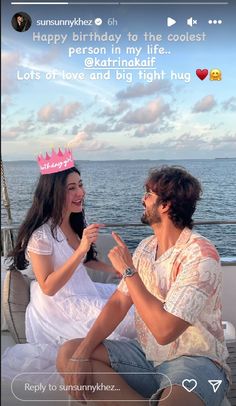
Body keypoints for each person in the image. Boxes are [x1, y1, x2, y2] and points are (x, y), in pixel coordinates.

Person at [57, 165, 230, 406]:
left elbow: (165, 331)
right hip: (147, 357)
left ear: (165, 205)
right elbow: (118, 303)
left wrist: (129, 271)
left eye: (148, 194)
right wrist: (83, 351)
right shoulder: (146, 247)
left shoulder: (200, 254)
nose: (142, 199)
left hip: (195, 359)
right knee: (69, 354)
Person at [8, 148, 136, 345]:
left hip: (84, 289)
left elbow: (86, 261)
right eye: (71, 188)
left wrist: (113, 269)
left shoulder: (72, 223)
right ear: (53, 193)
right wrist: (81, 249)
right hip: (60, 303)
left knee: (135, 298)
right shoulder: (41, 236)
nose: (81, 193)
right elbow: (48, 287)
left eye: (80, 185)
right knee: (129, 318)